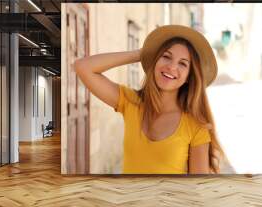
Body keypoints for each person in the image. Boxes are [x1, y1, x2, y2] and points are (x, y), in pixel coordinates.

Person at [74, 25, 224, 174]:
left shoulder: (196, 126)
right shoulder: (131, 102)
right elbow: (83, 67)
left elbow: (198, 189)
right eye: (166, 56)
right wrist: (142, 54)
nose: (172, 67)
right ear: (155, 61)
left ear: (188, 78)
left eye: (182, 63)